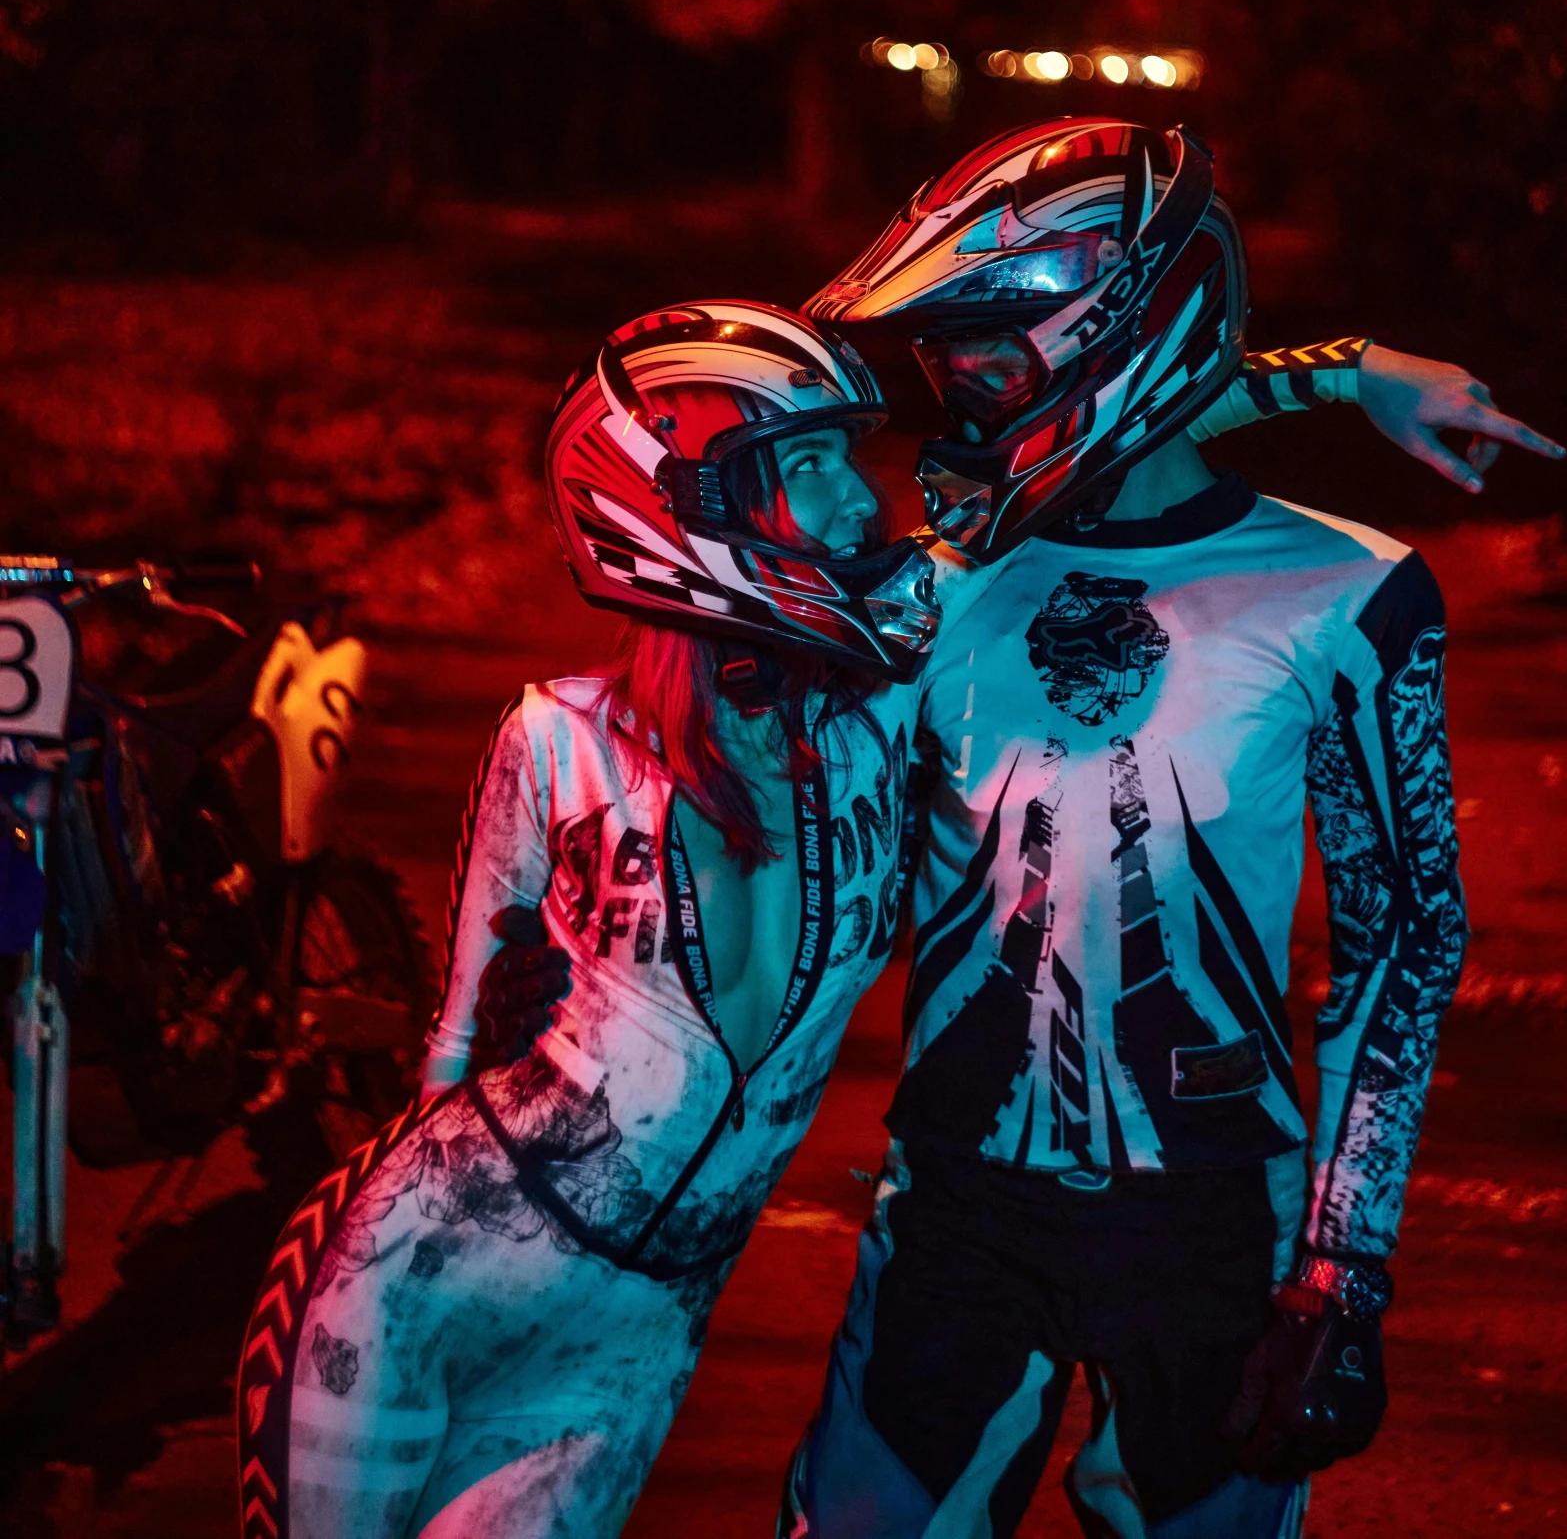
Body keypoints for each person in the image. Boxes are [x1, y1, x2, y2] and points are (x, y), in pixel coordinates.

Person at [776, 117, 1550, 1539]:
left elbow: (1402, 941)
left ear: (1106, 330)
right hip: (950, 1207)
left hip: (1213, 1227)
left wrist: (1339, 1266)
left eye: (986, 355)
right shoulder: (923, 587)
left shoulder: (1348, 592)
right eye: (940, 356)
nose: (951, 395)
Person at [238, 299, 941, 1539]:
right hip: (403, 1287)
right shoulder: (553, 739)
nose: (862, 501)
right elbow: (452, 1043)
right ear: (685, 508)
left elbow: (1079, 463)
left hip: (629, 1345)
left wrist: (1334, 378)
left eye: (853, 457)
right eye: (811, 464)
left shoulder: (887, 724)